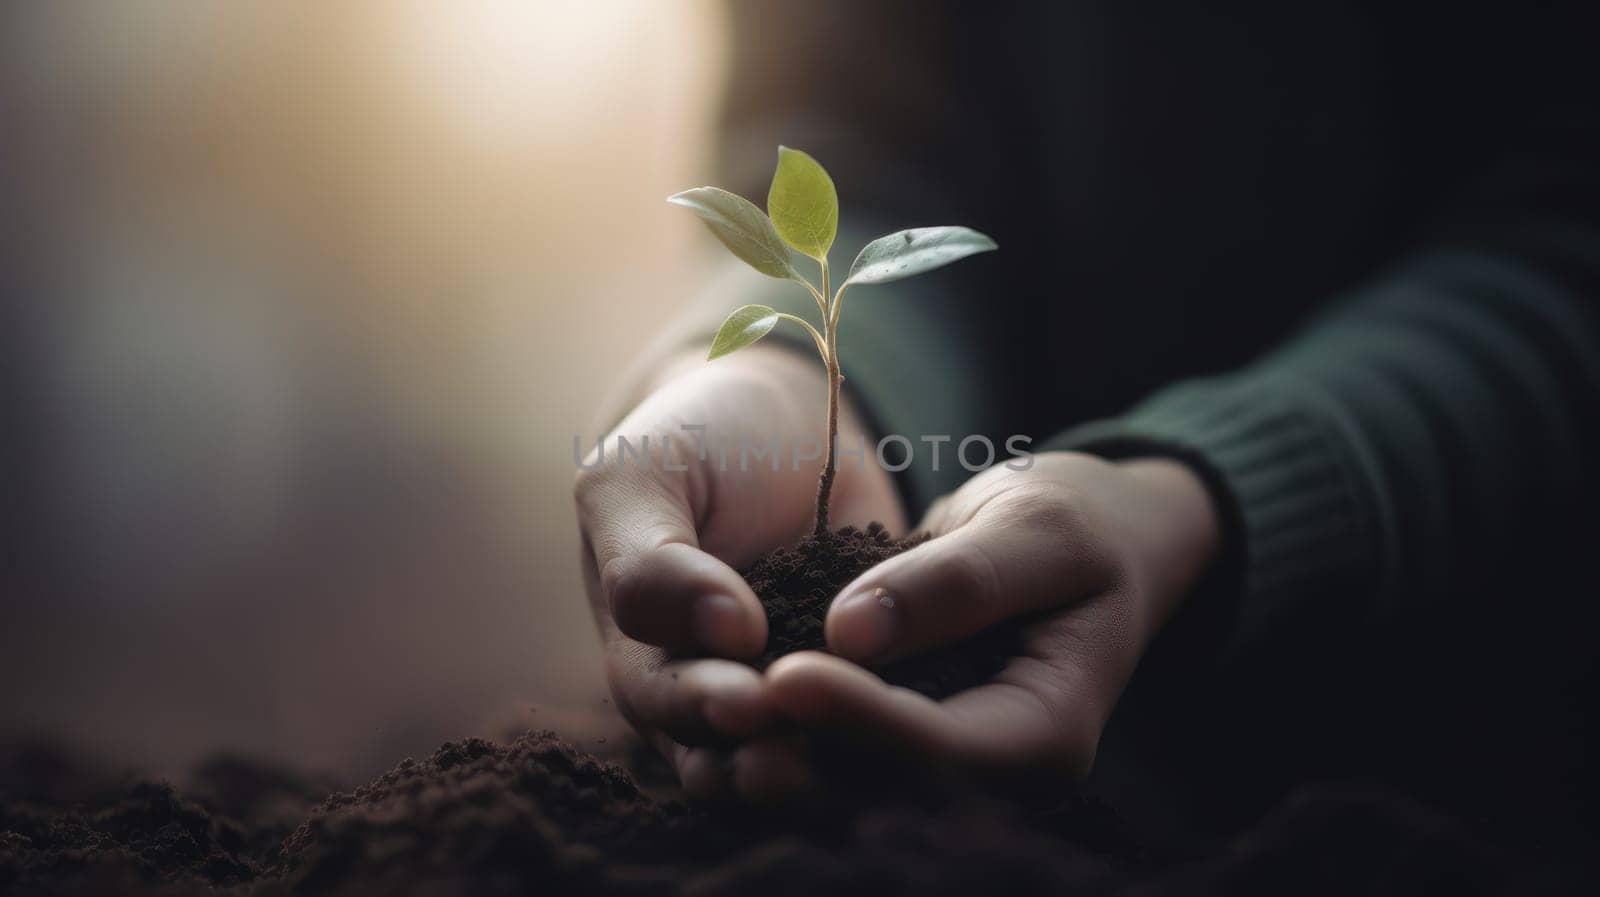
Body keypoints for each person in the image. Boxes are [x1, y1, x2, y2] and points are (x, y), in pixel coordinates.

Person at [574, 0, 1599, 842]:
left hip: (1483, 723)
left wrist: (1192, 501)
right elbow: (855, 141)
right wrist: (777, 371)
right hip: (999, 621)